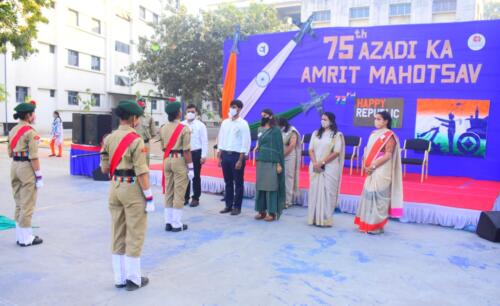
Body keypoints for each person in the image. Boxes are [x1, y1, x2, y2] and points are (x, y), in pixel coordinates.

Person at [100, 100, 155, 291]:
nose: (139, 120)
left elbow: (105, 167)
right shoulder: (136, 139)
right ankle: (133, 279)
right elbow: (141, 171)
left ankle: (119, 277)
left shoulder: (109, 138)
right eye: (138, 117)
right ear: (132, 118)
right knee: (135, 232)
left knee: (117, 231)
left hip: (115, 187)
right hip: (131, 188)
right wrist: (148, 196)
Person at [355, 111, 403, 234]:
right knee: (368, 195)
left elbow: (388, 155)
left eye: (379, 119)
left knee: (379, 196)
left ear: (386, 121)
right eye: (375, 118)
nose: (376, 121)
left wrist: (374, 165)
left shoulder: (389, 135)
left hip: (382, 169)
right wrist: (367, 165)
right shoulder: (373, 134)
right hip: (371, 168)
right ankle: (367, 224)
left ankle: (376, 226)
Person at [8, 100, 44, 247]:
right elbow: (34, 156)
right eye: (33, 113)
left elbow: (10, 152)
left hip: (14, 166)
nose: (34, 116)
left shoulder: (13, 130)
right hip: (26, 168)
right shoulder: (30, 131)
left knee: (18, 203)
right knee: (27, 204)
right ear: (29, 115)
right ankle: (26, 239)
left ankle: (21, 235)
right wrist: (39, 176)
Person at [160, 101, 193, 232]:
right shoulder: (184, 128)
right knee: (179, 192)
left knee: (169, 191)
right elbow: (186, 151)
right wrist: (191, 168)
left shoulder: (163, 128)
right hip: (179, 160)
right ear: (178, 113)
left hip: (167, 159)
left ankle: (168, 222)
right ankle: (176, 223)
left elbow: (163, 147)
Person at [307, 112, 345, 227]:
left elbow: (336, 152)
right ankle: (313, 218)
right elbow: (310, 150)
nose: (323, 121)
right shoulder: (316, 133)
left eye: (325, 119)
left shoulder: (337, 135)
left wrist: (322, 163)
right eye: (322, 119)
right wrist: (315, 163)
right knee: (314, 192)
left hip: (329, 168)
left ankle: (325, 219)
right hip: (315, 167)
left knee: (328, 193)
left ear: (331, 121)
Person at [217, 99, 251, 216]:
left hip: (237, 156)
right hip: (225, 154)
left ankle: (237, 207)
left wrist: (240, 159)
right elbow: (221, 138)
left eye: (235, 107)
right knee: (228, 182)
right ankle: (228, 205)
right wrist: (219, 154)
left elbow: (245, 143)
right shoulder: (225, 122)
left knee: (238, 183)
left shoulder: (243, 124)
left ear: (240, 109)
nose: (232, 109)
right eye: (231, 106)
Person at [254, 109, 285, 221]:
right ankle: (261, 211)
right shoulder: (260, 129)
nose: (263, 117)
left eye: (265, 115)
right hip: (261, 160)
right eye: (262, 115)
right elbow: (260, 141)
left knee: (271, 186)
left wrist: (278, 164)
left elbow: (278, 148)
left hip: (272, 161)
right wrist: (257, 146)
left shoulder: (276, 130)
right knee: (261, 186)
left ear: (271, 116)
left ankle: (272, 213)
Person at [182, 104, 208, 207]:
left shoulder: (200, 125)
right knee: (185, 176)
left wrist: (203, 155)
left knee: (196, 176)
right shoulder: (182, 124)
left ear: (196, 113)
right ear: (185, 112)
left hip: (196, 153)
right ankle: (185, 197)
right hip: (184, 153)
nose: (190, 113)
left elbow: (204, 141)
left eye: (192, 112)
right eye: (188, 111)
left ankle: (196, 198)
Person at [278, 117, 301, 208]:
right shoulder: (279, 131)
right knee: (279, 178)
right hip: (279, 157)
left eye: (279, 126)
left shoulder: (292, 131)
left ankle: (288, 201)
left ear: (283, 124)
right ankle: (280, 199)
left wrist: (282, 155)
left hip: (289, 157)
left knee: (288, 178)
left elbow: (292, 145)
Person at [135, 99, 157, 165]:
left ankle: (145, 175)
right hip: (134, 144)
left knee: (145, 162)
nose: (141, 109)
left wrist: (146, 138)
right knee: (134, 163)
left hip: (145, 144)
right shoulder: (131, 117)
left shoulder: (149, 117)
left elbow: (153, 133)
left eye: (143, 107)